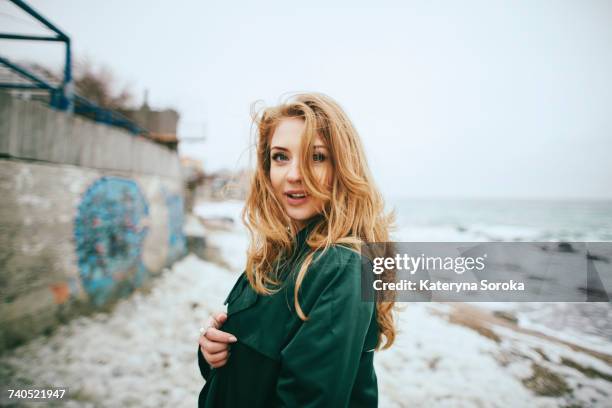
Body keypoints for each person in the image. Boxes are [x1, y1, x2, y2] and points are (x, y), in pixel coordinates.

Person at [197, 93, 395, 407]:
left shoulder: (342, 268)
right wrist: (213, 352)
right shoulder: (278, 253)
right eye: (280, 157)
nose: (293, 174)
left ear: (343, 166)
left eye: (316, 157)